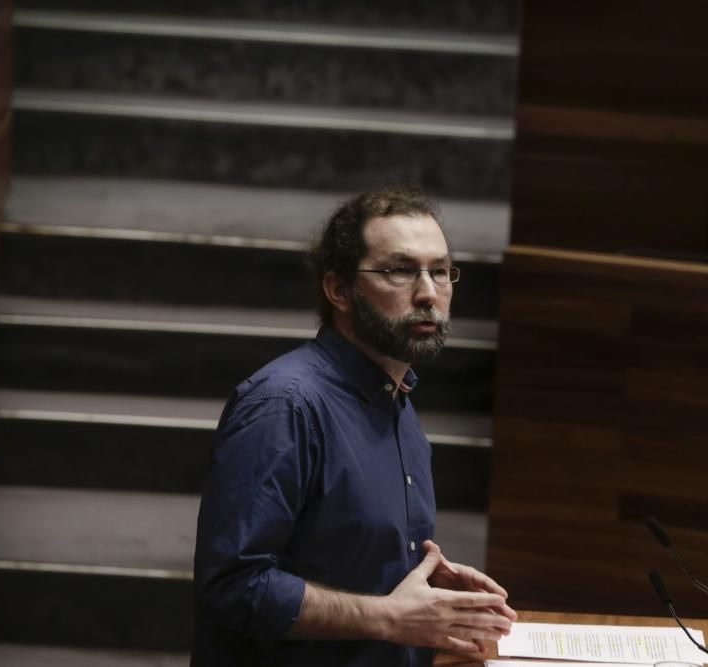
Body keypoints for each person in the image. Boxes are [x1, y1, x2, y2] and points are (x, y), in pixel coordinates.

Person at [192, 186, 516, 666]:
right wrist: (386, 616)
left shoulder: (397, 401)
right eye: (400, 270)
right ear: (339, 290)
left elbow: (339, 554)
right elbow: (234, 586)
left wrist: (418, 579)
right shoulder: (285, 406)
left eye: (441, 271)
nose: (428, 293)